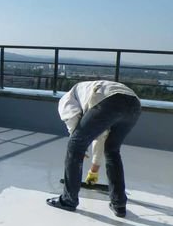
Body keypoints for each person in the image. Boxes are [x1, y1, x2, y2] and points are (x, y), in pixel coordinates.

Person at [47, 80, 141, 217]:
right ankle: (119, 204)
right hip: (134, 104)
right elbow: (101, 136)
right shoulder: (87, 94)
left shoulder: (67, 98)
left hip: (110, 100)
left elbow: (71, 118)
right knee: (112, 150)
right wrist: (94, 169)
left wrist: (80, 145)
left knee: (74, 146)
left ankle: (68, 200)